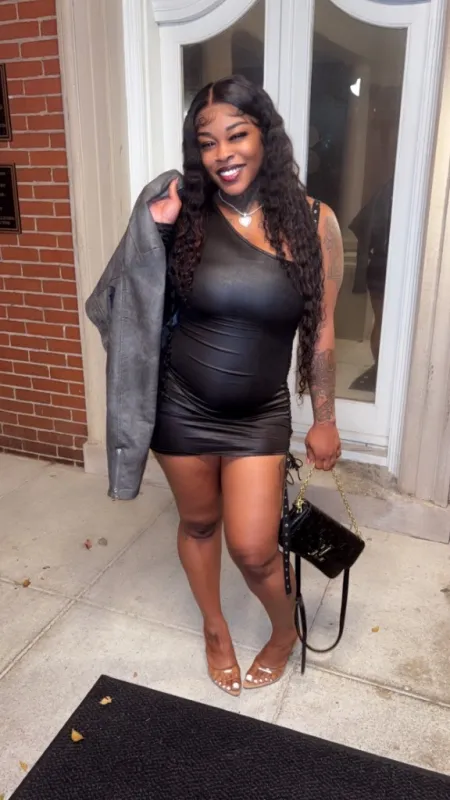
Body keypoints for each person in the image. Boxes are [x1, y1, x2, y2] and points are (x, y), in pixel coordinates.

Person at [147, 75, 344, 696]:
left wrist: (325, 417)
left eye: (237, 135)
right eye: (207, 143)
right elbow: (134, 301)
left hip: (259, 413)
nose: (223, 154)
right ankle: (215, 628)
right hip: (180, 405)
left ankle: (284, 632)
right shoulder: (185, 213)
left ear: (265, 136)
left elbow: (322, 330)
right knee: (199, 524)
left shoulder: (315, 222)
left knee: (255, 548)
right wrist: (156, 232)